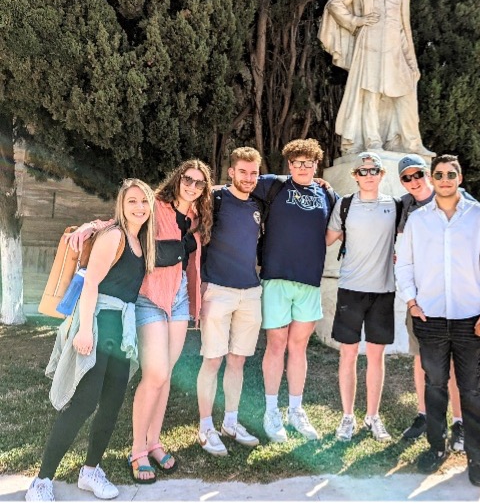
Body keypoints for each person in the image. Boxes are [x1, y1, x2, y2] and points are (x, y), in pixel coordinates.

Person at [69, 160, 213, 480]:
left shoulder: (196, 217)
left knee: (166, 375)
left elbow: (192, 263)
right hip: (149, 298)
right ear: (176, 179)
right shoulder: (155, 206)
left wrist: (196, 304)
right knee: (155, 374)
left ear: (204, 189)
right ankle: (137, 450)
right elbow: (120, 220)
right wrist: (89, 226)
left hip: (179, 301)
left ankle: (154, 441)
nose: (191, 185)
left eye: (199, 183)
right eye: (186, 179)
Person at [26, 179, 156, 502]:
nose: (139, 207)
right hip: (98, 325)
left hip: (121, 332)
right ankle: (41, 480)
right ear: (121, 206)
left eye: (144, 201)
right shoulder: (114, 236)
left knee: (111, 405)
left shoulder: (141, 241)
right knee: (82, 404)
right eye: (132, 202)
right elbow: (91, 285)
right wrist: (85, 331)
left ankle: (90, 470)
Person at [395, 154, 480, 487]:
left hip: (471, 318)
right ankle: (436, 447)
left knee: (470, 389)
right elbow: (405, 264)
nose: (444, 179)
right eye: (438, 174)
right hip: (431, 318)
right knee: (435, 386)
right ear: (432, 177)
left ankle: (475, 456)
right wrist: (411, 301)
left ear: (460, 176)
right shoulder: (418, 220)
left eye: (450, 173)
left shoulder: (479, 216)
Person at [253, 138, 337, 442]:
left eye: (308, 162)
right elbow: (240, 183)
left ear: (316, 165)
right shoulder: (273, 185)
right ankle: (271, 410)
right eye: (297, 162)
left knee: (299, 347)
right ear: (289, 165)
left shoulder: (327, 194)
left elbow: (344, 221)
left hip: (309, 282)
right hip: (276, 278)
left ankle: (296, 411)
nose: (302, 167)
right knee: (276, 345)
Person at [319, 0, 430, 155]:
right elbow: (335, 3)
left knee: (403, 93)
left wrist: (411, 61)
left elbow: (403, 28)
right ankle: (372, 140)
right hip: (369, 42)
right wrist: (355, 21)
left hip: (395, 48)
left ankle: (409, 143)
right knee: (369, 92)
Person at [196, 147, 264, 456]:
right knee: (213, 360)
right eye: (243, 172)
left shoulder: (258, 203)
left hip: (250, 292)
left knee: (238, 360)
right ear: (231, 172)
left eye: (254, 173)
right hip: (218, 290)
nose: (248, 178)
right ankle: (206, 426)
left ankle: (231, 422)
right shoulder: (213, 199)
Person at [325, 152, 397, 442]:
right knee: (348, 355)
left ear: (382, 175)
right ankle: (347, 417)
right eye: (363, 171)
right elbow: (327, 236)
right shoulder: (344, 205)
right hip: (351, 290)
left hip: (383, 292)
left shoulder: (394, 206)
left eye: (374, 170)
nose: (368, 175)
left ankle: (373, 416)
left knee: (377, 357)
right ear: (354, 175)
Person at [396, 153, 465, 452]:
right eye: (407, 177)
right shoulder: (406, 205)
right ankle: (423, 414)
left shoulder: (454, 201)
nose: (414, 181)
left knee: (451, 363)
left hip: (452, 298)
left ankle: (459, 422)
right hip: (420, 299)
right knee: (419, 359)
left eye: (418, 175)